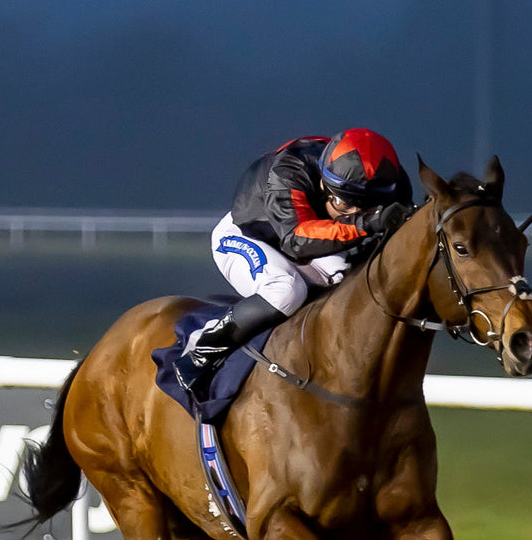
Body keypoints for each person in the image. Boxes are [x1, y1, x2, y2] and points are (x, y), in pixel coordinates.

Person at [174, 128, 415, 402]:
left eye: (369, 206)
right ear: (324, 185)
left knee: (348, 280)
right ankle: (200, 352)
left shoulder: (390, 181)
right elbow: (296, 241)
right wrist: (366, 224)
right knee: (286, 290)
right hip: (247, 235)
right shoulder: (290, 169)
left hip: (306, 237)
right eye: (345, 204)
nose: (354, 213)